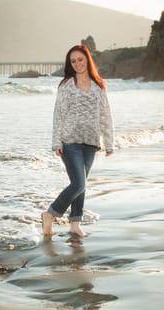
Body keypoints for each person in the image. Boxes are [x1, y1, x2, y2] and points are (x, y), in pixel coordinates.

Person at [42, 44, 114, 237]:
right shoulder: (66, 85)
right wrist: (56, 142)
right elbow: (58, 114)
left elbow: (106, 115)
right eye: (73, 61)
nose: (77, 63)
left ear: (87, 60)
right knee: (79, 184)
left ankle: (75, 224)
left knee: (81, 183)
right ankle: (50, 214)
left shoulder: (99, 86)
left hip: (91, 143)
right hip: (70, 141)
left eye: (80, 59)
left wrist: (109, 142)